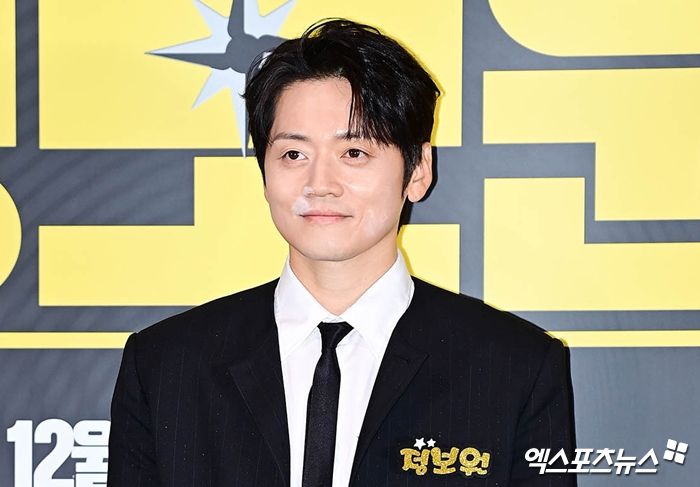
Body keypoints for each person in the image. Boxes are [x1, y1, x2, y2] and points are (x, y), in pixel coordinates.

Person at [107, 18, 576, 487]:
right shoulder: (166, 366)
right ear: (264, 172)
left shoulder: (516, 368)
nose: (320, 184)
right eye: (294, 155)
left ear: (418, 171)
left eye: (354, 153)